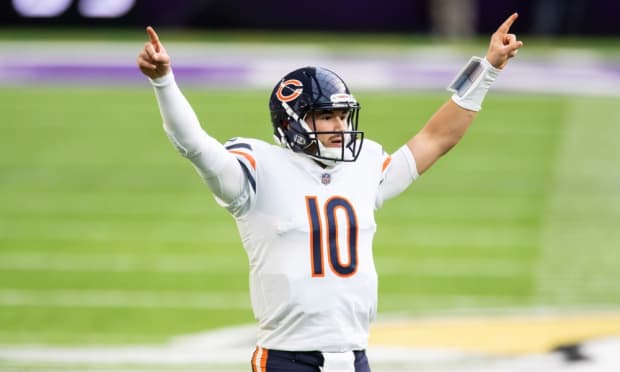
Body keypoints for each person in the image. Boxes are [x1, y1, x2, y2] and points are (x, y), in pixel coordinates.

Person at [137, 13, 522, 372]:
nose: (339, 125)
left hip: (355, 356)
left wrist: (487, 70)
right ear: (292, 123)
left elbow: (436, 139)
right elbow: (195, 145)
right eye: (325, 116)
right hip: (287, 357)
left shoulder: (364, 164)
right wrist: (164, 81)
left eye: (342, 115)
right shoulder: (257, 168)